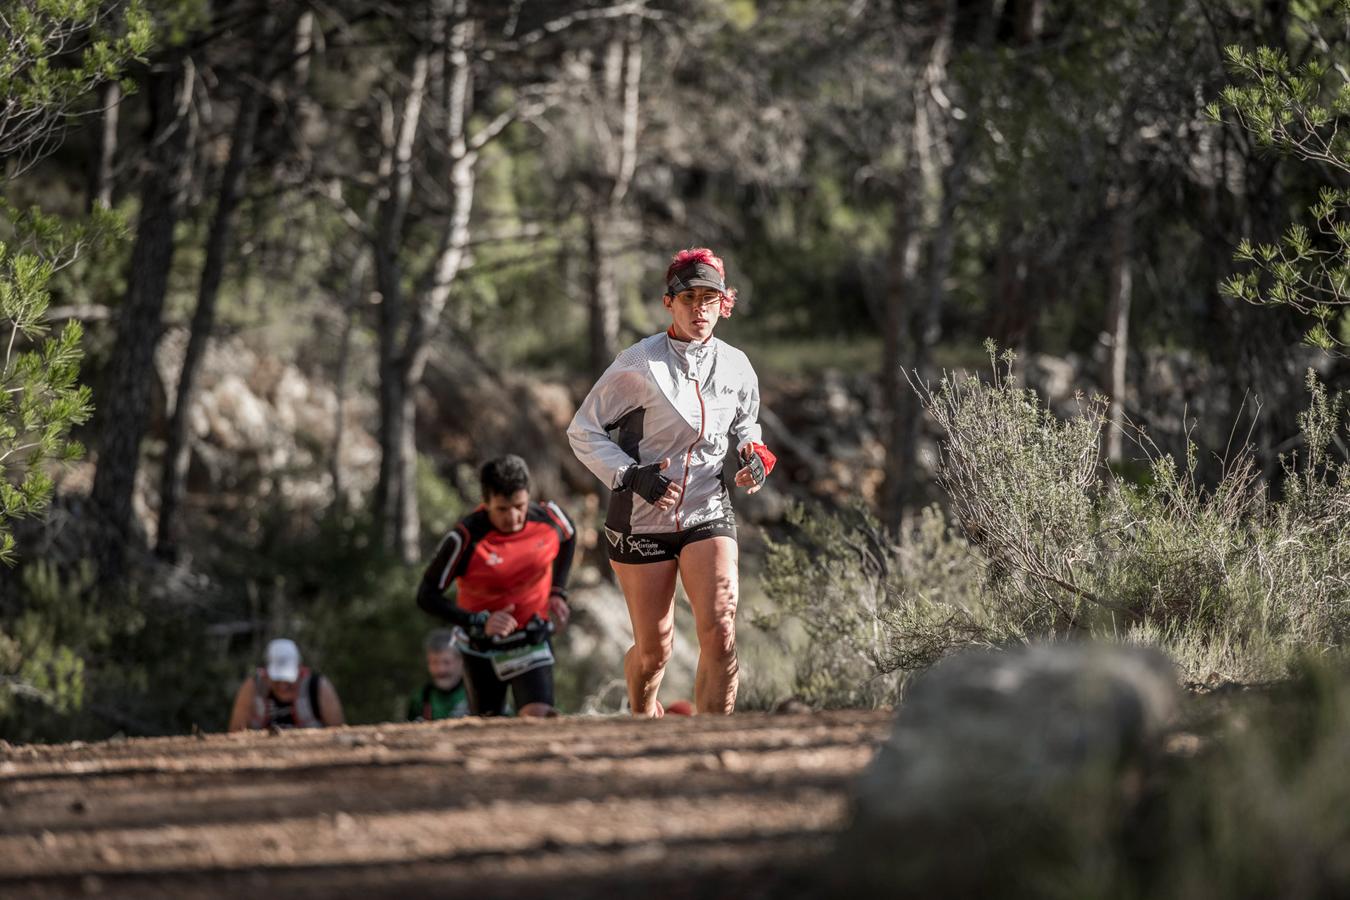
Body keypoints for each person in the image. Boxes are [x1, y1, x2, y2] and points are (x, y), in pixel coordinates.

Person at [567, 247, 776, 717]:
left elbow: (747, 425)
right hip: (641, 519)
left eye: (710, 299)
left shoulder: (738, 365)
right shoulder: (639, 364)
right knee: (653, 651)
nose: (699, 309)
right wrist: (632, 477)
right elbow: (583, 430)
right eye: (689, 299)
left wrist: (754, 454)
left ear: (725, 304)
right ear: (669, 302)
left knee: (721, 633)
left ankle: (710, 746)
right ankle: (642, 720)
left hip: (707, 509)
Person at [416, 454, 576, 718]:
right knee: (489, 725)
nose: (513, 517)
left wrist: (558, 592)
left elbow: (570, 536)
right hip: (480, 648)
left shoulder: (549, 520)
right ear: (486, 502)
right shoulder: (466, 538)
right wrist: (480, 621)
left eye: (520, 506)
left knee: (539, 716)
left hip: (530, 639)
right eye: (502, 509)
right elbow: (426, 595)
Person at [227, 638, 346, 731]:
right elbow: (235, 731)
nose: (282, 686)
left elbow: (338, 731)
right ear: (265, 673)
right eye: (277, 680)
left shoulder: (318, 687)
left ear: (300, 670)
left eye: (288, 680)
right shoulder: (253, 687)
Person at [407, 628, 471, 721]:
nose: (441, 669)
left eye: (446, 662)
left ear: (461, 661)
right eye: (434, 662)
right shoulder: (421, 698)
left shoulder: (473, 694)